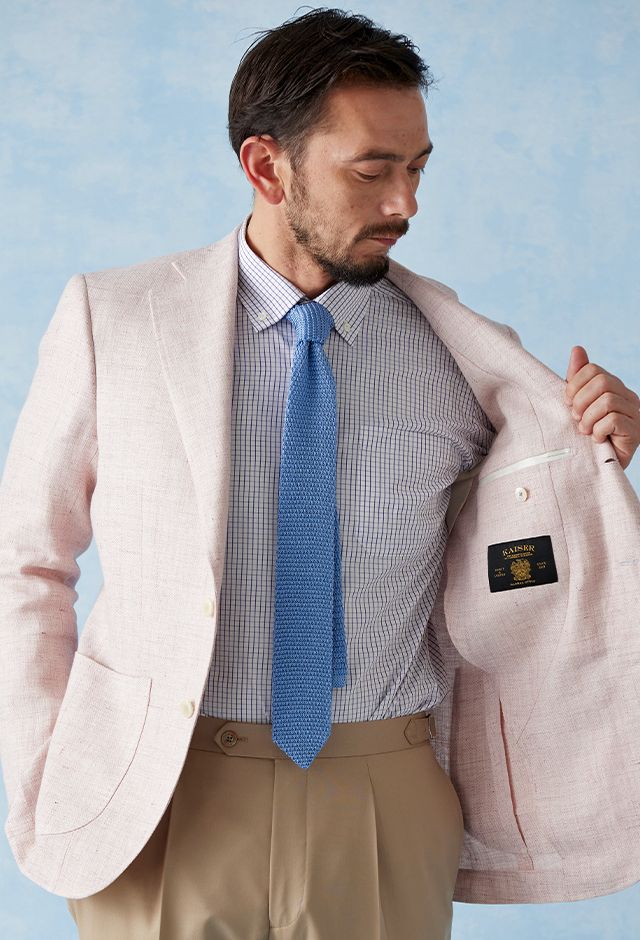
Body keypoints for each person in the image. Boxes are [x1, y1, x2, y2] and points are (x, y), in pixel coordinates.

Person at [1, 7, 639, 940]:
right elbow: (26, 562)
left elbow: (527, 569)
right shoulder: (115, 320)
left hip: (383, 796)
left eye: (418, 168)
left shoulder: (467, 361)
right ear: (268, 167)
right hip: (159, 799)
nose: (405, 204)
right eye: (372, 171)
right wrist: (40, 776)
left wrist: (595, 455)